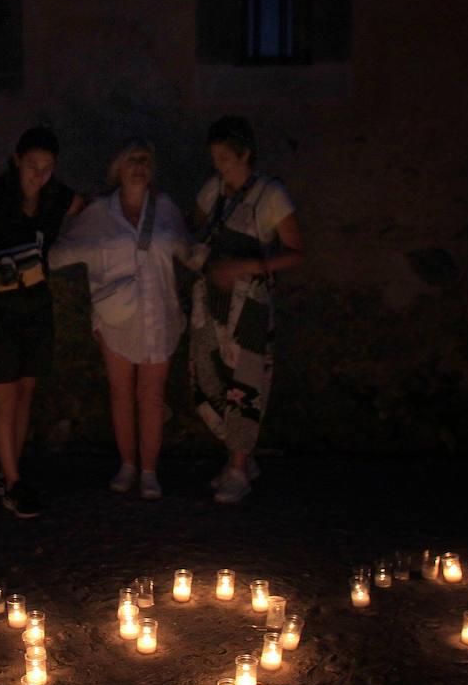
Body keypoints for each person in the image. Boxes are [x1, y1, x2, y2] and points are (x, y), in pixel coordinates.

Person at [0, 127, 85, 518]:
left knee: (25, 391)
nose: (38, 176)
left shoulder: (55, 197)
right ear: (17, 160)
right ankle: (12, 483)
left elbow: (86, 206)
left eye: (46, 169)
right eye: (32, 167)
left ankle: (10, 471)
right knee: (4, 397)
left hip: (35, 311)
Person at [50, 138, 193, 499]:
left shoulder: (165, 208)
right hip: (116, 317)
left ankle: (149, 471)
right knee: (121, 394)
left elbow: (188, 251)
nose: (139, 166)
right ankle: (127, 464)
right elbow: (61, 253)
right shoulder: (100, 213)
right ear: (118, 168)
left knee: (152, 395)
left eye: (145, 160)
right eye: (132, 160)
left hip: (158, 312)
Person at [189, 116, 303, 504]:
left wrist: (247, 267)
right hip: (212, 302)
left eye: (225, 157)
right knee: (209, 377)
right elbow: (199, 231)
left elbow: (295, 252)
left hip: (249, 305)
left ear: (245, 154)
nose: (219, 165)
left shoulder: (270, 195)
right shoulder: (213, 191)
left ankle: (237, 467)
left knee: (245, 384)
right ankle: (241, 453)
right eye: (215, 158)